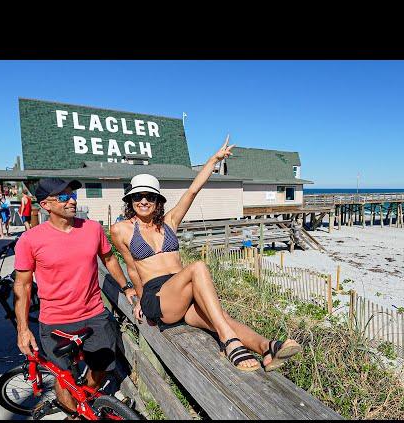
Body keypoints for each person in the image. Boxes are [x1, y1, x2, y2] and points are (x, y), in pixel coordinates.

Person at [110, 136, 302, 372]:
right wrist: (139, 299)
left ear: (158, 201)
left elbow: (192, 191)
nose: (143, 201)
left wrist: (213, 160)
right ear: (130, 200)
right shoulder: (121, 229)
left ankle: (268, 348)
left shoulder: (169, 221)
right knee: (198, 267)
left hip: (184, 294)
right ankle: (229, 342)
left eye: (150, 196)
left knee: (220, 318)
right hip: (158, 299)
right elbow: (131, 267)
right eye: (138, 196)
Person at [13, 177, 138, 419]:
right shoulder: (30, 240)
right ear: (45, 205)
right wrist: (23, 329)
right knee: (64, 378)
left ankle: (86, 399)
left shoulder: (91, 229)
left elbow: (109, 258)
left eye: (72, 195)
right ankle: (73, 415)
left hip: (93, 314)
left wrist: (127, 287)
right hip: (55, 321)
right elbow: (23, 285)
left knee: (102, 366)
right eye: (63, 197)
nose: (71, 200)